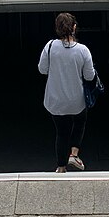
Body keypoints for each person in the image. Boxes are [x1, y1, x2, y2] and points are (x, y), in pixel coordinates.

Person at [38, 13, 96, 173]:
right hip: (76, 100)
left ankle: (61, 167)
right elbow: (89, 76)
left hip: (55, 101)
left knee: (61, 133)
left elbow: (42, 70)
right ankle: (74, 154)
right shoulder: (83, 50)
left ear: (57, 29)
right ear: (74, 28)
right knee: (80, 122)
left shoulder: (49, 46)